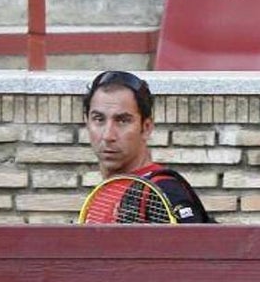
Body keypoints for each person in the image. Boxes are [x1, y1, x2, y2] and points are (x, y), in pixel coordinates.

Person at [82, 70, 212, 223]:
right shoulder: (101, 195)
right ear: (86, 123)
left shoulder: (164, 190)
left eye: (123, 121)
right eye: (98, 119)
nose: (108, 135)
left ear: (146, 127)